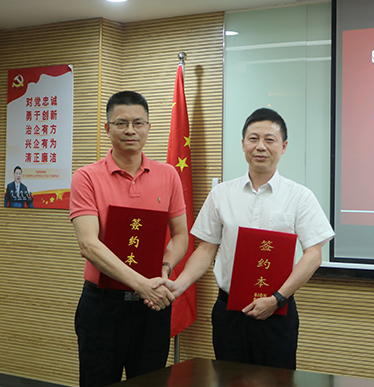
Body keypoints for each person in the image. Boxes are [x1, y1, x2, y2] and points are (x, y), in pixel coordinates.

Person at [153, 107, 334, 369]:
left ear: (283, 147)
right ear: (242, 144)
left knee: (277, 382)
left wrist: (277, 299)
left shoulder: (300, 196)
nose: (260, 146)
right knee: (229, 379)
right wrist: (178, 286)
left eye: (269, 140)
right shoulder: (221, 194)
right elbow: (205, 250)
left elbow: (313, 255)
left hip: (277, 311)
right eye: (253, 139)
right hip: (229, 312)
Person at [69, 91, 189, 387]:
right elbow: (88, 245)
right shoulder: (86, 177)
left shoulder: (168, 175)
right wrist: (141, 284)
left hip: (152, 307)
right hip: (102, 306)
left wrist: (163, 270)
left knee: (150, 382)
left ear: (148, 127)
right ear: (107, 128)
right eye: (121, 123)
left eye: (138, 123)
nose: (130, 130)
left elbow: (180, 235)